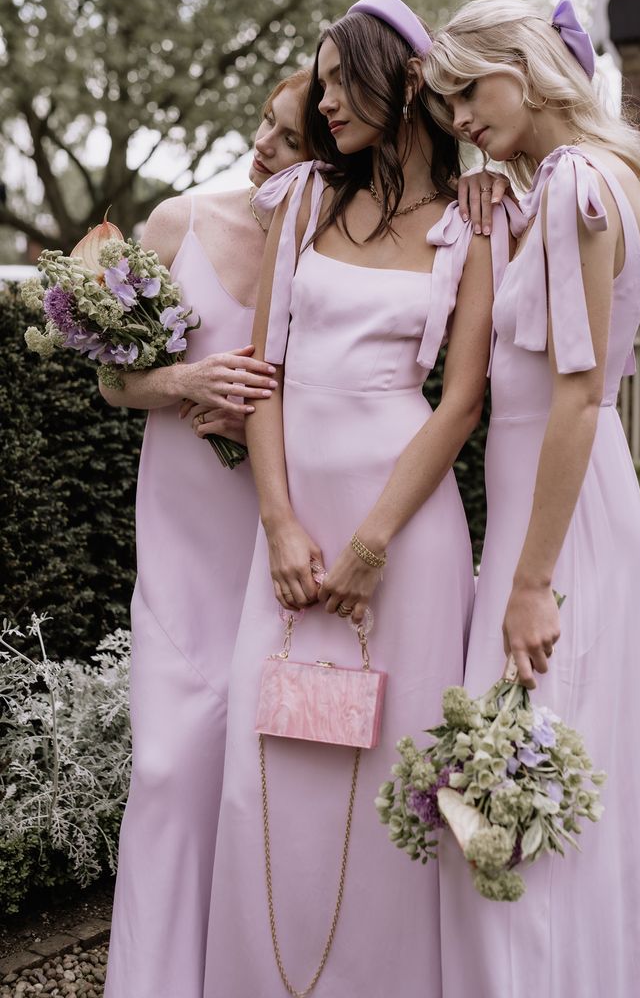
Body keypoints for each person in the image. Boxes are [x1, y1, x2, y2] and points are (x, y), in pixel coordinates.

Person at [202, 0, 517, 998]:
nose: (324, 100)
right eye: (322, 80)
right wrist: (279, 522)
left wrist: (374, 544)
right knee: (270, 767)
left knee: (394, 770)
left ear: (402, 81)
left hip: (405, 532)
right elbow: (265, 373)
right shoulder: (300, 200)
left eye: (342, 79)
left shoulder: (473, 223)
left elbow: (460, 400)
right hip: (292, 530)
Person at [422, 0, 640, 998]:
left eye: (467, 90)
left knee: (513, 799)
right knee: (527, 794)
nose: (458, 119)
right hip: (563, 513)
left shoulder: (579, 184)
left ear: (526, 67)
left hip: (560, 531)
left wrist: (530, 582)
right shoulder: (567, 185)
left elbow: (578, 399)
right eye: (446, 101)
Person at [101, 69, 312, 998]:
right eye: (265, 124)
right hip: (181, 542)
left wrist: (270, 419)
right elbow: (113, 383)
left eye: (291, 138)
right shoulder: (178, 220)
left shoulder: (336, 248)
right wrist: (183, 385)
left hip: (276, 541)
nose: (264, 145)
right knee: (163, 768)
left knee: (255, 786)